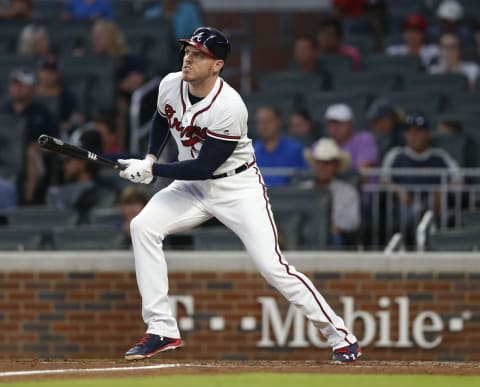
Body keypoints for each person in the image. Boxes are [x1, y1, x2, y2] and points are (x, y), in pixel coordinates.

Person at [116, 26, 361, 363]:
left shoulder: (230, 106)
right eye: (188, 51)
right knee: (143, 227)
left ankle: (341, 336)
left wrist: (154, 172)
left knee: (272, 267)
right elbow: (162, 118)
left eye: (199, 54)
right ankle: (162, 329)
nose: (189, 58)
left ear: (216, 65)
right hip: (190, 185)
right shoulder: (170, 84)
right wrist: (150, 158)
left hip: (236, 187)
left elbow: (205, 167)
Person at [381, 112, 462, 243]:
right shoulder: (396, 155)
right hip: (407, 206)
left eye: (418, 131)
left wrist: (443, 191)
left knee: (450, 217)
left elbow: (459, 180)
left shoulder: (440, 156)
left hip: (436, 207)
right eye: (409, 131)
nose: (413, 136)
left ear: (427, 134)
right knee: (412, 216)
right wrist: (397, 190)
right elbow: (383, 181)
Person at [1, 68, 57, 205]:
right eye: (14, 84)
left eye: (22, 85)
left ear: (32, 88)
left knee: (31, 153)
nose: (17, 88)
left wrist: (37, 147)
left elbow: (55, 143)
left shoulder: (42, 113)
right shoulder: (3, 110)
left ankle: (27, 201)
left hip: (32, 157)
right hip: (5, 155)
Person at [90, 19, 146, 148]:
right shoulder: (91, 62)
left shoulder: (128, 59)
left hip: (121, 102)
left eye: (100, 36)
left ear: (111, 37)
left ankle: (120, 151)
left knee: (120, 105)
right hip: (96, 101)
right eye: (94, 36)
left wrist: (116, 85)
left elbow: (136, 80)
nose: (95, 40)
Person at [46, 127, 116, 222]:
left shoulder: (105, 191)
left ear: (82, 163)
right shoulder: (58, 191)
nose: (64, 166)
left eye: (68, 160)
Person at [302, 138, 360, 248]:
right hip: (303, 236)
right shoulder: (302, 190)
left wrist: (332, 227)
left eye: (328, 163)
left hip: (332, 237)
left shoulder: (348, 192)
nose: (323, 167)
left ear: (336, 166)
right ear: (314, 164)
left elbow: (353, 221)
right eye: (319, 162)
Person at [253, 105, 308, 187]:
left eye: (267, 121)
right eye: (260, 122)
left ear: (279, 122)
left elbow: (304, 180)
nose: (263, 126)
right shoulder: (250, 152)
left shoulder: (295, 150)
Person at [35, 55, 82, 138]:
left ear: (58, 74)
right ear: (39, 72)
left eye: (52, 72)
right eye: (45, 71)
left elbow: (76, 118)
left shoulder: (66, 96)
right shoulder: (29, 94)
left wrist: (68, 124)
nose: (48, 75)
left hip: (57, 136)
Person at [324, 103, 378, 172]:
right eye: (331, 124)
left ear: (350, 124)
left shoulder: (364, 140)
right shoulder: (322, 145)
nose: (334, 128)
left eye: (339, 124)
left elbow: (363, 172)